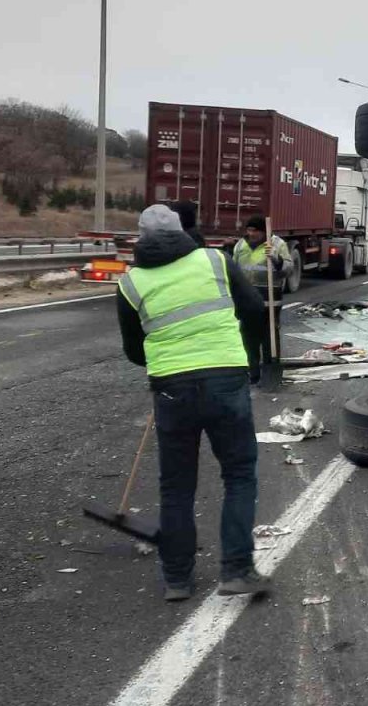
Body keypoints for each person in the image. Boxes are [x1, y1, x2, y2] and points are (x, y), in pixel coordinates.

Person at [116, 204, 270, 601]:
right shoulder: (215, 261)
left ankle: (177, 579)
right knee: (238, 474)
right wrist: (246, 354)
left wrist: (169, 359)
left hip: (171, 386)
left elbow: (134, 350)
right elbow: (254, 308)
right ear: (181, 230)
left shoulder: (131, 283)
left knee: (176, 486)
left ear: (141, 237)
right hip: (226, 378)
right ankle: (236, 569)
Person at [232, 214, 293, 381]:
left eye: (255, 231)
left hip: (270, 301)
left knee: (269, 338)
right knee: (248, 338)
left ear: (264, 232)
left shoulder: (277, 244)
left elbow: (288, 269)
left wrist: (276, 260)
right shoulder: (240, 245)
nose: (251, 234)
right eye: (249, 230)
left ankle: (269, 371)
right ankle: (253, 372)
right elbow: (234, 269)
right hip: (247, 302)